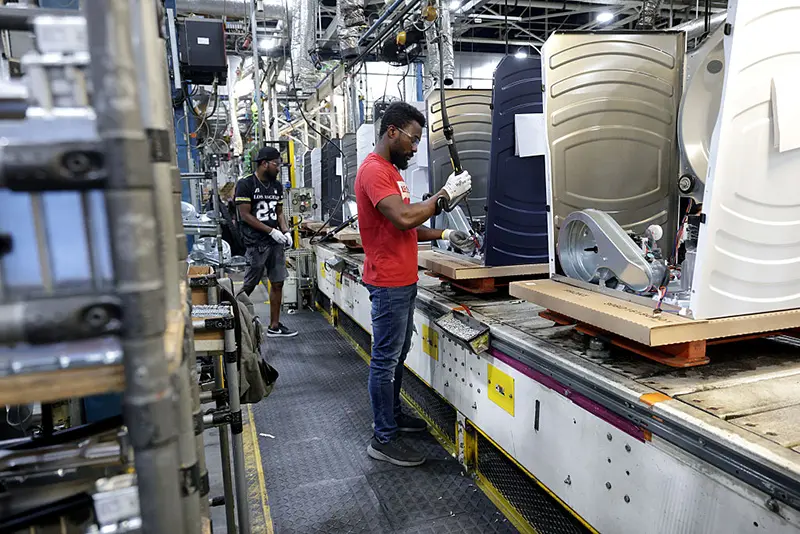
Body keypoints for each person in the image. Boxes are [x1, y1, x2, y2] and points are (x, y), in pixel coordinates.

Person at [355, 102, 474, 467]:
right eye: (413, 138)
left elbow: (406, 224)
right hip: (389, 284)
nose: (415, 147)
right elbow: (404, 216)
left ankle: (392, 418)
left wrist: (445, 231)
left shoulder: (392, 172)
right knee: (385, 360)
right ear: (392, 131)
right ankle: (383, 437)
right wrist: (443, 198)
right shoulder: (375, 171)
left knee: (397, 356)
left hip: (403, 281)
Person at [235, 146, 297, 338]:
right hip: (256, 243)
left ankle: (274, 325)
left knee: (277, 282)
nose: (278, 168)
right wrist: (271, 231)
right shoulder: (245, 184)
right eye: (276, 164)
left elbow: (279, 213)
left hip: (275, 242)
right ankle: (235, 323)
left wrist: (285, 232)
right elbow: (245, 215)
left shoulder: (276, 186)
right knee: (249, 285)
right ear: (264, 164)